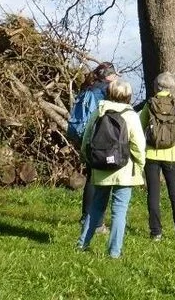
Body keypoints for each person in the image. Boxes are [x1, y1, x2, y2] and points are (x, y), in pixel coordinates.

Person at [78, 78, 146, 258]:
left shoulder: (99, 112)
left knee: (96, 207)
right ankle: (114, 251)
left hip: (101, 167)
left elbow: (86, 139)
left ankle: (82, 243)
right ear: (128, 96)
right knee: (119, 210)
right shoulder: (131, 115)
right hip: (124, 169)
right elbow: (138, 145)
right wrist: (140, 165)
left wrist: (88, 159)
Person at [138, 72, 175, 241]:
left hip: (152, 153)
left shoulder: (150, 104)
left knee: (153, 193)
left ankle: (156, 232)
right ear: (171, 87)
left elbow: (141, 125)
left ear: (157, 87)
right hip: (172, 154)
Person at [72, 62, 117, 234]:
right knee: (102, 180)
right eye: (114, 76)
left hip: (87, 136)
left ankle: (86, 217)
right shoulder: (106, 90)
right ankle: (97, 222)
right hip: (102, 137)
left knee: (91, 177)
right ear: (108, 76)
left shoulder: (88, 88)